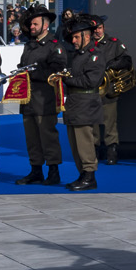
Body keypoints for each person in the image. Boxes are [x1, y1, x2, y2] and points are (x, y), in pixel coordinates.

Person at [14, 3, 64, 186]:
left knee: (48, 137)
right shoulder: (29, 46)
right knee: (32, 139)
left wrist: (32, 73)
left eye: (35, 24)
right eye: (31, 25)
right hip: (28, 100)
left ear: (45, 24)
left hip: (45, 100)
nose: (32, 27)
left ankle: (53, 172)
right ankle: (36, 170)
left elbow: (57, 71)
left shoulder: (54, 46)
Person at [60, 14, 107, 191]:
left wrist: (68, 79)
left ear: (86, 36)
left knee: (84, 142)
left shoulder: (95, 55)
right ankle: (82, 174)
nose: (73, 40)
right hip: (74, 103)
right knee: (74, 143)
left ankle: (89, 175)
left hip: (86, 103)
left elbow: (91, 81)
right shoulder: (77, 55)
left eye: (76, 36)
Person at [88, 15, 126, 164]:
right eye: (94, 29)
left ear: (103, 28)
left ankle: (112, 151)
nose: (97, 31)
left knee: (110, 123)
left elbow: (126, 59)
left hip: (109, 90)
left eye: (99, 28)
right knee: (93, 124)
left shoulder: (113, 43)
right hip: (92, 91)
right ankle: (95, 150)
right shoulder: (88, 44)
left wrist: (112, 66)